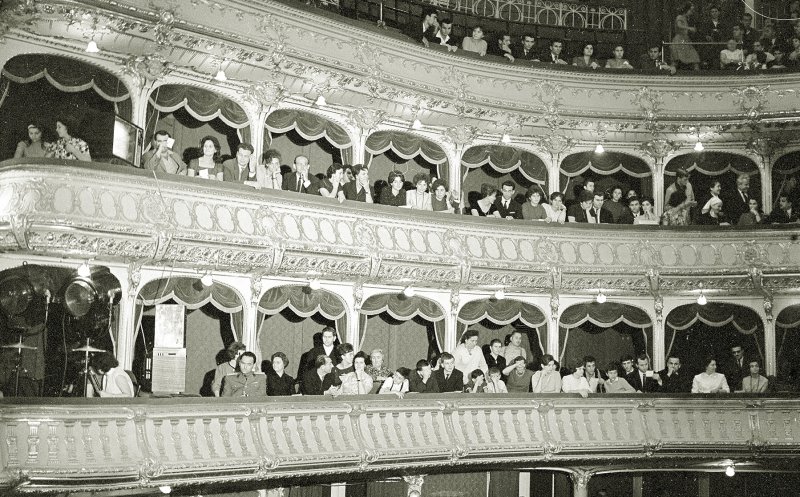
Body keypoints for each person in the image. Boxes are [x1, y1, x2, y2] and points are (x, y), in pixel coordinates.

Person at [671, 2, 701, 70]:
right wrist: (689, 28)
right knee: (676, 59)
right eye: (691, 10)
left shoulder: (686, 18)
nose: (692, 12)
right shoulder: (679, 17)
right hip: (679, 40)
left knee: (695, 58)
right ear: (686, 9)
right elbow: (679, 25)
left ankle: (697, 77)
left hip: (686, 40)